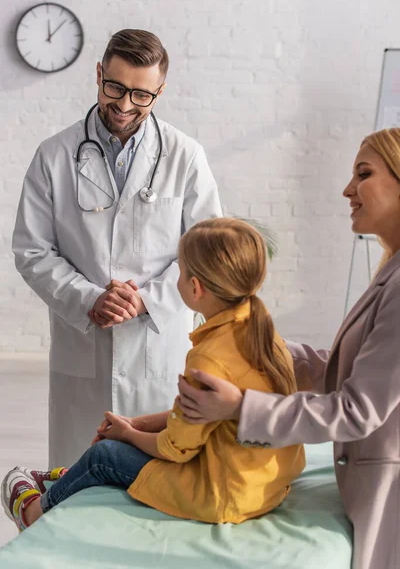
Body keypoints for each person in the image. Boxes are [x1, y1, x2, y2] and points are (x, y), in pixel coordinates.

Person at [175, 129, 400, 569]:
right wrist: (261, 347)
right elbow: (346, 369)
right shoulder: (391, 268)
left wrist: (241, 407)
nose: (347, 189)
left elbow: (357, 409)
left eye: (364, 174)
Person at [2, 218, 305, 531]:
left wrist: (129, 436)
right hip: (266, 485)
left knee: (105, 455)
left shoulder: (208, 358)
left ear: (195, 287)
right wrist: (136, 423)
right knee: (122, 444)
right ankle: (70, 478)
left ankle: (34, 513)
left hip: (222, 495)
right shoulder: (260, 328)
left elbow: (175, 448)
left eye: (181, 272)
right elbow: (207, 416)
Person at [12, 29, 222, 468]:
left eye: (141, 95)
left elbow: (206, 251)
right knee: (75, 480)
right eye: (115, 87)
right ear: (98, 75)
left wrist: (143, 299)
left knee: (160, 484)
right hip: (84, 343)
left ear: (159, 92)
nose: (125, 105)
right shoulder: (53, 156)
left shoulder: (185, 156)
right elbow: (32, 249)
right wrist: (91, 298)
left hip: (159, 346)